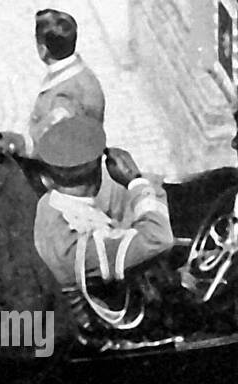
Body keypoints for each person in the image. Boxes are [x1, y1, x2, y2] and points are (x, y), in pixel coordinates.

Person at [31, 116, 173, 330]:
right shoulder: (79, 246)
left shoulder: (50, 206)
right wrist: (137, 181)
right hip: (113, 330)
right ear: (100, 169)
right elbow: (158, 239)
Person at [0, 9, 106, 157]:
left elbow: (43, 140)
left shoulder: (64, 99)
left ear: (43, 50)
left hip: (62, 171)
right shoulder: (82, 74)